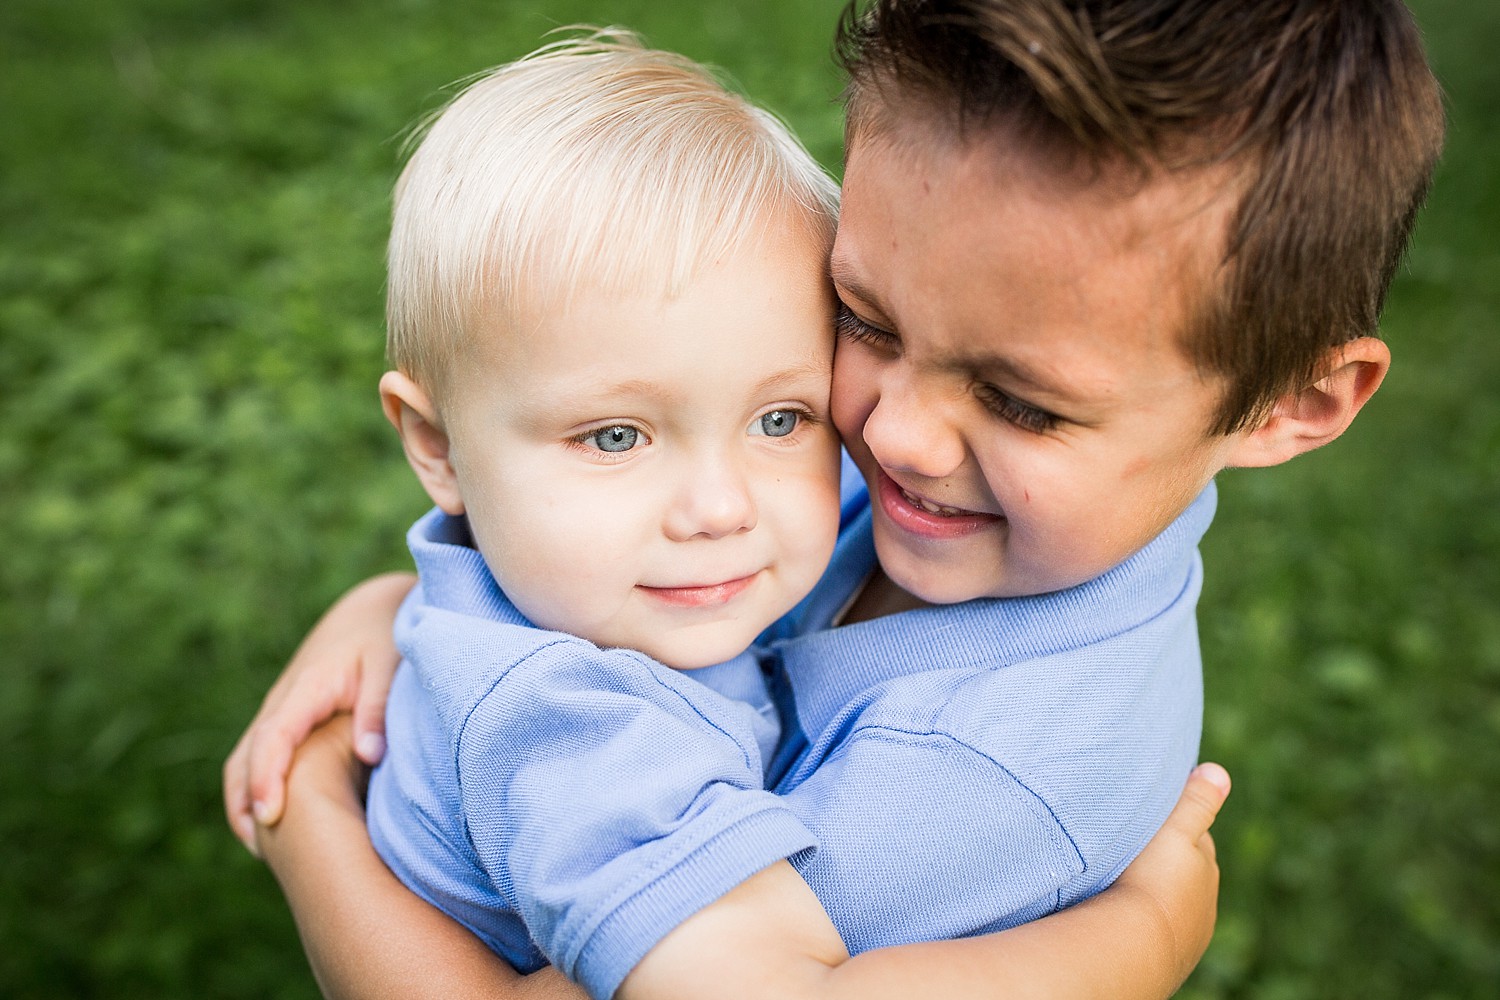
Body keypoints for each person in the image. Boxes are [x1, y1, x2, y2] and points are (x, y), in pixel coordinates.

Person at [226, 0, 1444, 996]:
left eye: (1022, 402)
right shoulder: (959, 520)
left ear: (1293, 401)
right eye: (864, 320)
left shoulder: (972, 777)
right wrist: (404, 610)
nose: (891, 433)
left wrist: (311, 814)